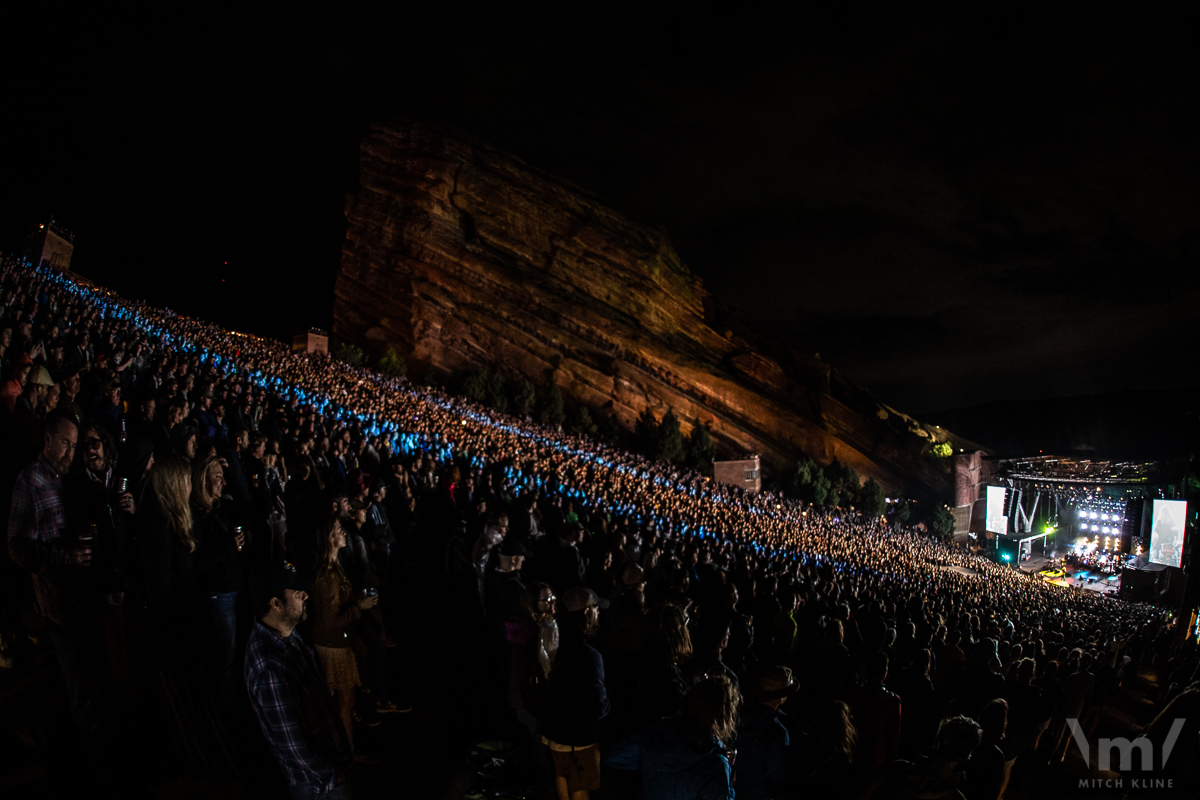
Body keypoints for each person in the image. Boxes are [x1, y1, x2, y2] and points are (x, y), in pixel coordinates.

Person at [244, 560, 353, 799]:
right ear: (275, 604)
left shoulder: (285, 632)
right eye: (296, 592)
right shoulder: (269, 669)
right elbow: (294, 746)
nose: (305, 595)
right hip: (318, 785)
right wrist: (334, 774)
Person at [309, 516, 379, 762]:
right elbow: (332, 621)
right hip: (333, 646)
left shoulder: (332, 566)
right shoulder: (328, 575)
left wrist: (355, 596)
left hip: (335, 642)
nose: (345, 533)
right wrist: (359, 607)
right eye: (339, 530)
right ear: (330, 538)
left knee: (342, 701)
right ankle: (346, 753)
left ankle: (343, 750)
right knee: (344, 702)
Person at [604, 676, 739, 800]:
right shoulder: (714, 765)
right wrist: (730, 781)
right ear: (725, 718)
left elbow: (612, 756)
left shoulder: (655, 733)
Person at [540, 586, 611, 800]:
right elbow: (598, 704)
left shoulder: (554, 642)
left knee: (561, 777)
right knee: (580, 786)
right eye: (596, 609)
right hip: (580, 738)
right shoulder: (589, 656)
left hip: (553, 733)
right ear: (587, 612)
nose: (599, 613)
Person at [733, 666, 793, 800]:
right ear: (781, 697)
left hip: (733, 793)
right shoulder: (777, 733)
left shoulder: (738, 717)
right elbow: (774, 779)